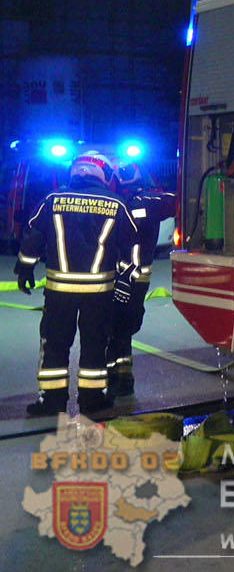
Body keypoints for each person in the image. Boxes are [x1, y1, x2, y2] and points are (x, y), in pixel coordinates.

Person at [13, 150, 140, 417]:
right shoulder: (117, 204)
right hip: (100, 293)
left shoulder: (52, 199)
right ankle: (91, 400)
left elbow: (33, 236)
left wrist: (24, 269)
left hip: (60, 292)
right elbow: (131, 248)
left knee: (55, 344)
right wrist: (127, 282)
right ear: (103, 174)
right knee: (95, 345)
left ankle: (52, 402)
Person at [106, 161, 176, 398]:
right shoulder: (152, 202)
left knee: (115, 326)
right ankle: (121, 376)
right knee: (124, 325)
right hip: (138, 277)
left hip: (115, 276)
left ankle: (115, 376)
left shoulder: (116, 204)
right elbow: (177, 201)